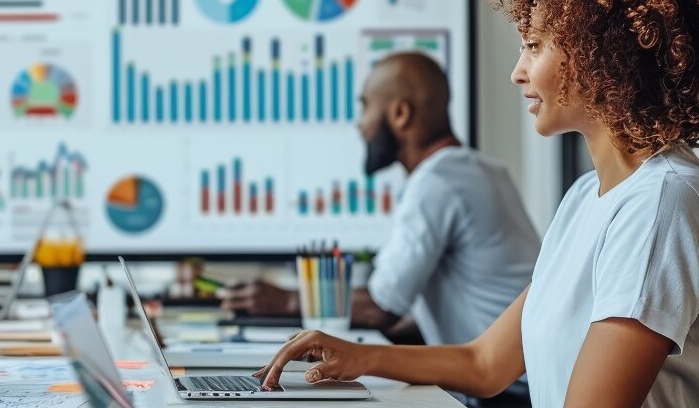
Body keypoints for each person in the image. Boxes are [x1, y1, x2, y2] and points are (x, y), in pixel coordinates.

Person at [255, 0, 699, 408]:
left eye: (535, 45)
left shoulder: (664, 203)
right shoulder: (585, 201)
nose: (518, 70)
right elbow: (485, 362)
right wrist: (358, 356)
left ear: (602, 54)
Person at [226, 53, 541, 400]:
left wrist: (282, 301)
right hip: (521, 380)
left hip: (506, 393)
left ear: (400, 113)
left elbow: (381, 307)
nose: (360, 124)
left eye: (365, 108)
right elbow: (417, 312)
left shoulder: (437, 182)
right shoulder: (479, 170)